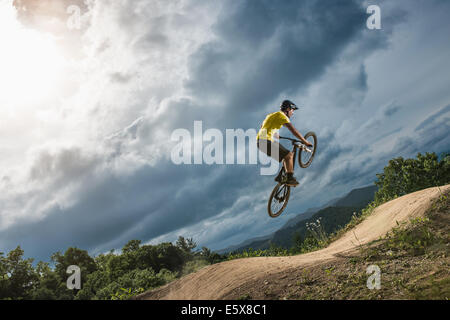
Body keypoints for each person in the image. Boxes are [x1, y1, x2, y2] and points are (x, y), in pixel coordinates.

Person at [256, 100, 312, 186]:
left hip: (261, 142)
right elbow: (293, 130)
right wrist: (305, 141)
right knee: (289, 155)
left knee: (285, 157)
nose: (292, 113)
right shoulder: (282, 116)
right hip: (265, 142)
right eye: (292, 110)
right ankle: (289, 179)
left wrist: (274, 135)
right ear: (288, 109)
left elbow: (263, 126)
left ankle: (280, 176)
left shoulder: (271, 115)